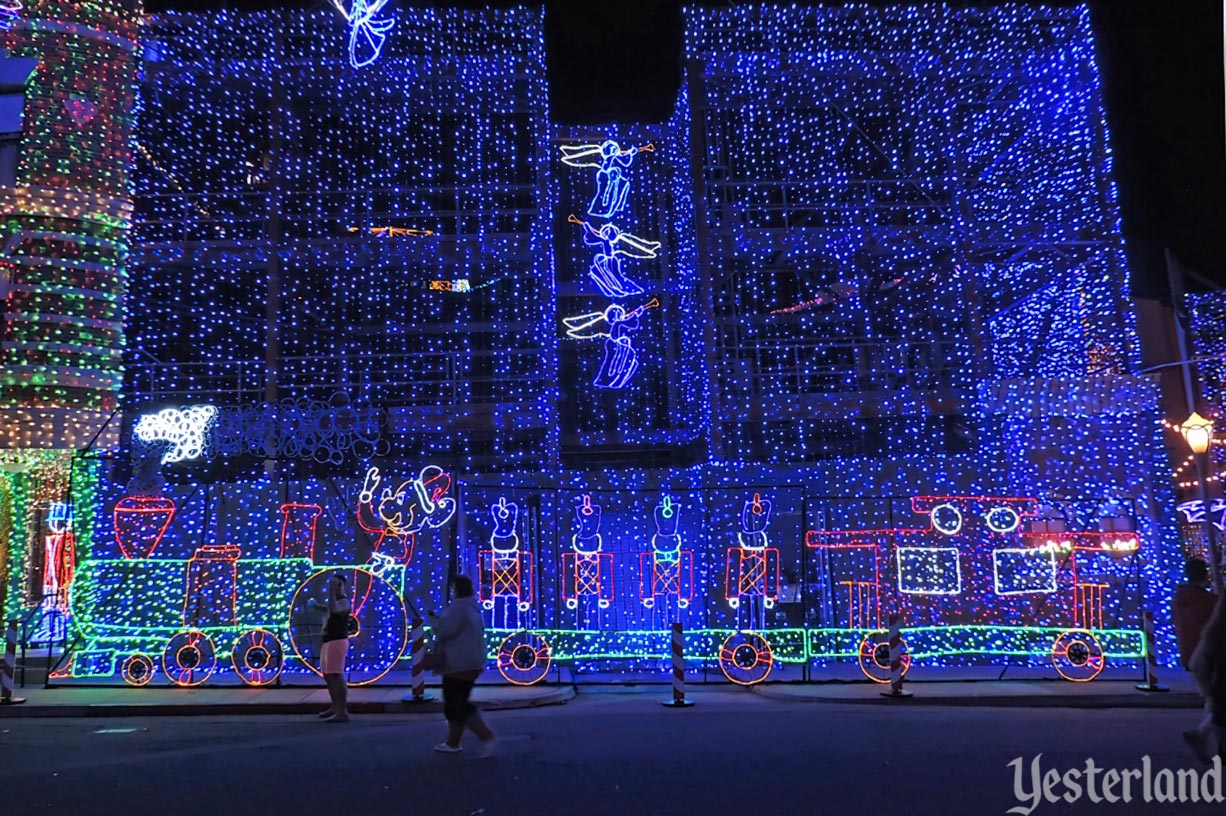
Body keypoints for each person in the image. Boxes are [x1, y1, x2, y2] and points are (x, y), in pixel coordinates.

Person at [429, 575, 495, 755]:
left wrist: (434, 621)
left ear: (456, 589)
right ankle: (453, 742)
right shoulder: (473, 607)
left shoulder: (458, 608)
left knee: (455, 703)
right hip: (471, 661)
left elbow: (446, 631)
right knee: (456, 701)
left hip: (458, 663)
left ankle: (485, 735)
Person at [1174, 558, 1219, 760]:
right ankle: (1201, 734)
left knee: (1213, 700)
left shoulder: (1179, 599)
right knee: (1217, 701)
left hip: (1190, 654)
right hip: (1210, 656)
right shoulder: (1209, 602)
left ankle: (1206, 737)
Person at [1190, 586, 1226, 762]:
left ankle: (1201, 735)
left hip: (1204, 666)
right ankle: (1201, 735)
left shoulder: (1217, 624)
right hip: (1211, 671)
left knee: (1215, 706)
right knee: (1217, 707)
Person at [318, 571, 351, 723]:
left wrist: (331, 590)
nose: (335, 588)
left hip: (337, 641)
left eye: (337, 585)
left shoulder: (344, 601)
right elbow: (329, 609)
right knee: (328, 675)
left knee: (336, 675)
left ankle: (342, 711)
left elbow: (334, 610)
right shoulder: (336, 601)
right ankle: (335, 706)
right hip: (329, 640)